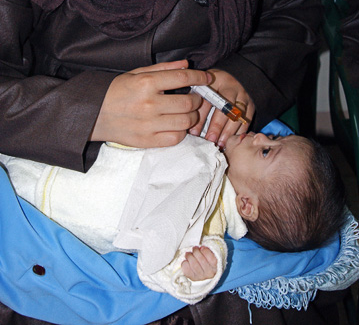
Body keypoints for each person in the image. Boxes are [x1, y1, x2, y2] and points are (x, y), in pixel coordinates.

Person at [0, 0, 338, 323]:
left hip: (223, 162)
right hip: (57, 185)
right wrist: (89, 111)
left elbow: (296, 7)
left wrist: (244, 77)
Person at [0, 128, 346, 304]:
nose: (257, 136)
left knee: (21, 190)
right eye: (271, 136)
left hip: (70, 209)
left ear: (246, 206)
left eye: (266, 150)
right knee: (22, 155)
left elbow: (186, 262)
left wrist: (200, 275)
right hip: (81, 157)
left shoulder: (212, 219)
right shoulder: (213, 150)